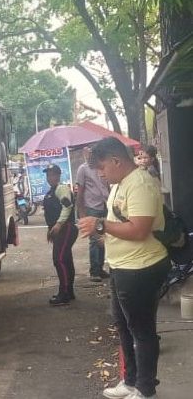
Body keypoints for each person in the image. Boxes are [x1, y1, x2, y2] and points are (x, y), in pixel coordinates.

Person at [78, 137, 170, 399]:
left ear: (117, 161)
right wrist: (101, 232)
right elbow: (117, 222)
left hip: (142, 267)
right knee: (123, 324)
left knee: (141, 330)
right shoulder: (120, 184)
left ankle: (145, 388)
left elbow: (139, 230)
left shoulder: (140, 184)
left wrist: (100, 226)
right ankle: (130, 380)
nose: (100, 173)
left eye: (102, 167)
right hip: (121, 266)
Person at [42, 164, 78, 306]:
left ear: (58, 175)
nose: (50, 177)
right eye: (48, 175)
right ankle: (68, 291)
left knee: (59, 259)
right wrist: (51, 229)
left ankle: (64, 294)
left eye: (53, 174)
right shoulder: (52, 191)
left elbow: (67, 206)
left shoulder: (61, 188)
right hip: (59, 229)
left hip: (66, 228)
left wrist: (58, 224)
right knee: (66, 259)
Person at [76, 147, 111, 282]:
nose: (89, 155)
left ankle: (100, 268)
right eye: (87, 153)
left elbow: (107, 185)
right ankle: (94, 271)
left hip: (104, 205)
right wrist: (82, 213)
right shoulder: (83, 169)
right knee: (94, 239)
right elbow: (80, 191)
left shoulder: (101, 167)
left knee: (103, 238)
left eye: (92, 152)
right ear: (84, 154)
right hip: (92, 207)